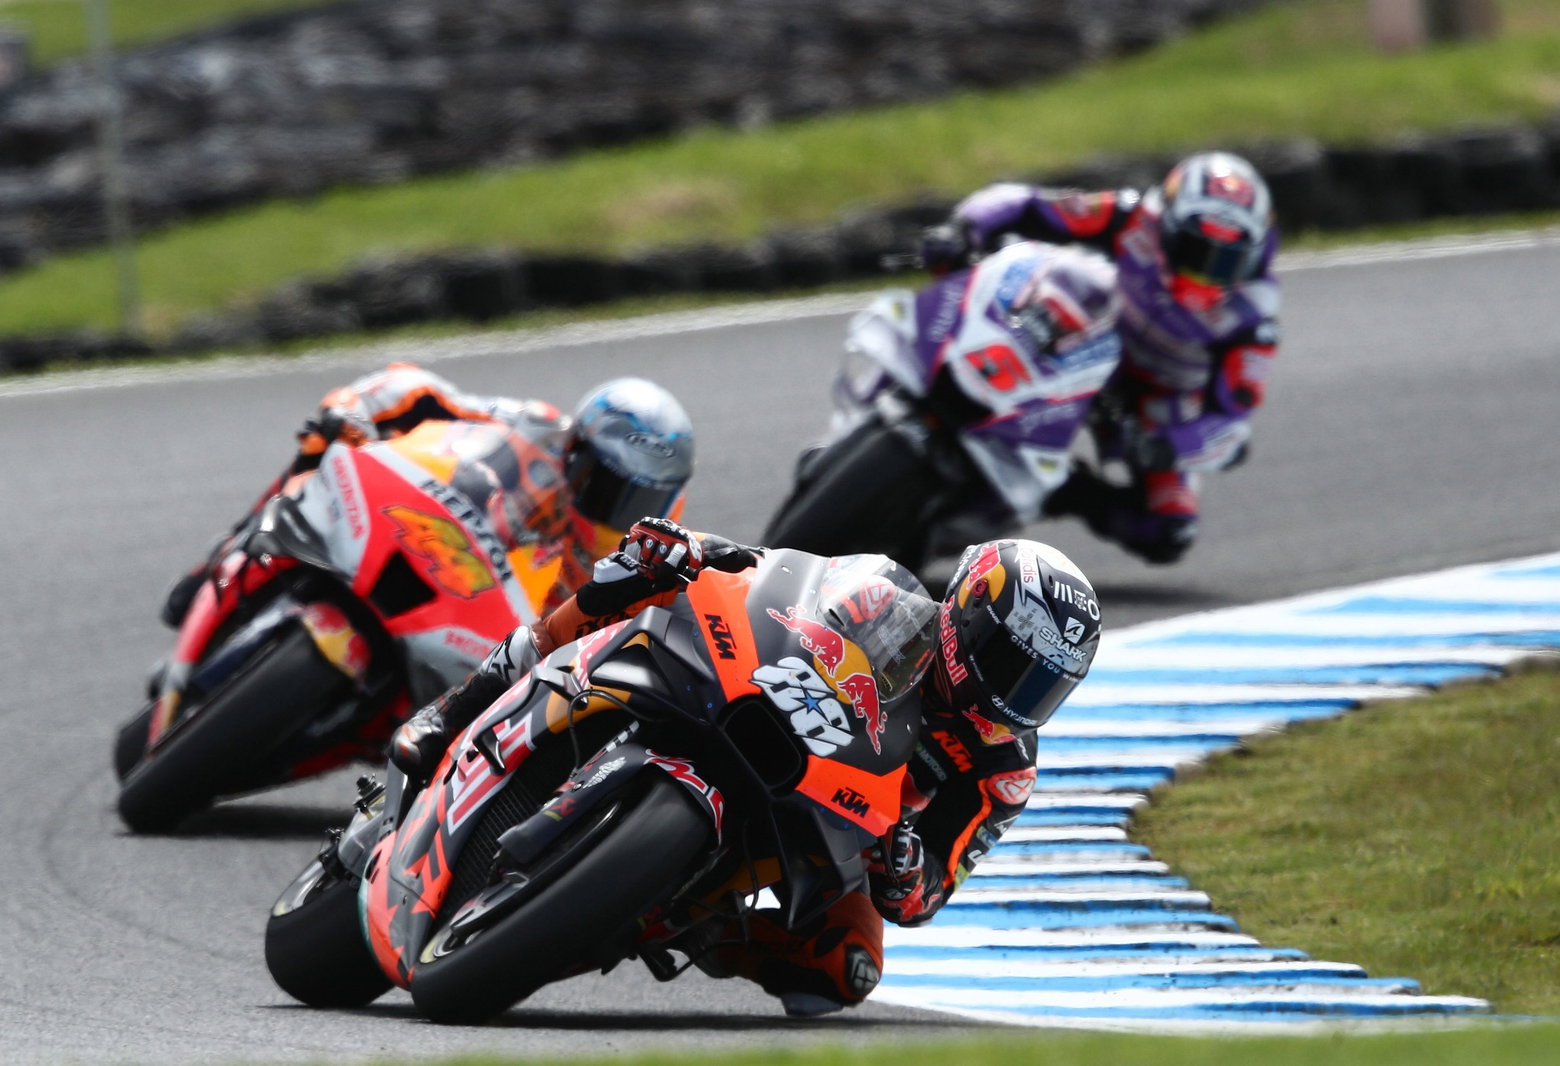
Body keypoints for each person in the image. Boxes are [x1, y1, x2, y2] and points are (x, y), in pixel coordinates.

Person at [388, 518, 1102, 1018]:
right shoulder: (889, 601)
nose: (1015, 694)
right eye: (1012, 663)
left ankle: (703, 924)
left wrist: (908, 861)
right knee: (639, 573)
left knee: (851, 968)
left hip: (831, 823)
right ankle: (462, 705)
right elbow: (781, 582)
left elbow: (929, 895)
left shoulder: (1002, 768)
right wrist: (700, 552)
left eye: (1041, 685)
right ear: (970, 615)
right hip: (758, 708)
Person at [922, 151, 1281, 563]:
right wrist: (962, 228)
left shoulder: (1253, 322)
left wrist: (1164, 449)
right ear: (1166, 225)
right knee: (1011, 285)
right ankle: (930, 377)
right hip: (1091, 330)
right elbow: (1025, 203)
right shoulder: (1132, 218)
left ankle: (1061, 489)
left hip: (1156, 398)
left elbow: (1229, 430)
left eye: (1224, 262)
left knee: (1167, 532)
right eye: (1193, 250)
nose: (1203, 273)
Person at [158, 362, 695, 626]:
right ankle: (228, 552)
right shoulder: (536, 427)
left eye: (633, 496)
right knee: (327, 444)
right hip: (427, 539)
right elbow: (423, 390)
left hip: (482, 649)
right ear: (576, 447)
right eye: (604, 483)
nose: (612, 505)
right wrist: (355, 410)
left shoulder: (637, 564)